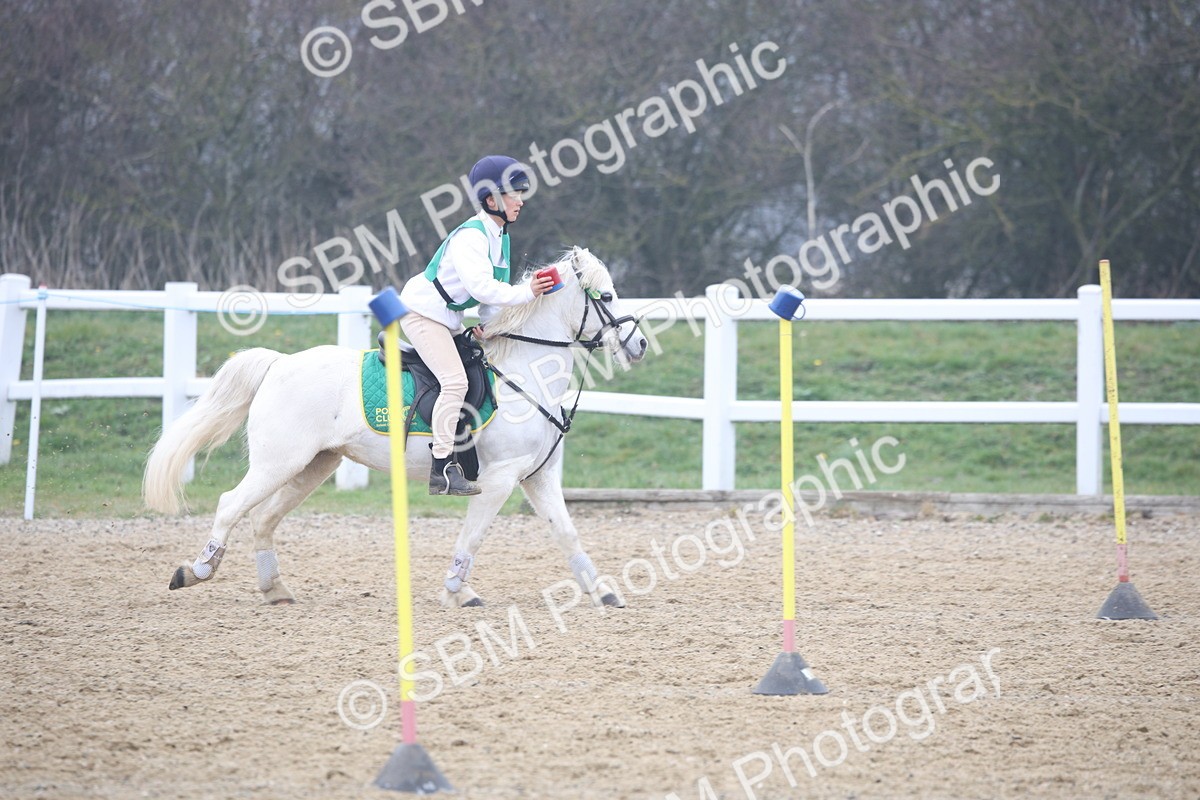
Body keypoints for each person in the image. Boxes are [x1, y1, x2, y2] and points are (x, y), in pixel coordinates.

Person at [398, 155, 555, 495]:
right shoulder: (472, 236)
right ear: (491, 200)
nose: (521, 200)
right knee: (454, 382)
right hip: (421, 313)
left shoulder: (500, 237)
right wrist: (527, 291)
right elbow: (481, 287)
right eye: (515, 193)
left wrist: (492, 326)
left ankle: (467, 455)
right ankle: (441, 468)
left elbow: (487, 302)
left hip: (445, 317)